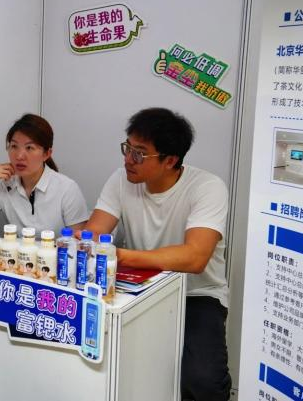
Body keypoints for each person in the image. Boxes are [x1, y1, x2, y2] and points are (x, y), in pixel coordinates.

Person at [82, 108, 231, 401]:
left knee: (202, 380)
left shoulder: (207, 187)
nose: (128, 159)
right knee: (113, 363)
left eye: (139, 154)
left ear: (170, 160)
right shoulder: (121, 179)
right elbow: (95, 233)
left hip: (196, 295)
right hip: (138, 289)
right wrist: (84, 242)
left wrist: (122, 256)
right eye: (127, 148)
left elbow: (195, 258)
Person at [0, 113, 88, 235]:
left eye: (29, 148)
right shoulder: (4, 184)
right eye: (14, 146)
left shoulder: (67, 189)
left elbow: (78, 241)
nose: (19, 156)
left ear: (46, 154)